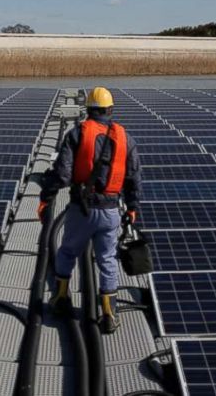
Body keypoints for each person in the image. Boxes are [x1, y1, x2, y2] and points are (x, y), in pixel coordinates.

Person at [37, 86, 142, 334]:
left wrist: (46, 197)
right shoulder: (125, 138)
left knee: (67, 252)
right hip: (110, 212)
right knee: (107, 260)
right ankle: (108, 313)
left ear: (88, 110)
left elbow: (62, 174)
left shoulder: (76, 134)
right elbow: (134, 177)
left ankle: (61, 299)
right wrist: (133, 208)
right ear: (110, 109)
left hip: (81, 210)